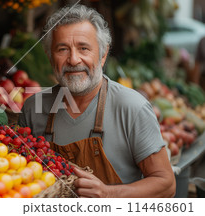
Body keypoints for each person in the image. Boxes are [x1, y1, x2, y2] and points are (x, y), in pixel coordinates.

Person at [18, 4, 175, 198]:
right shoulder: (33, 109)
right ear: (51, 58)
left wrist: (109, 194)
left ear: (102, 55)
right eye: (62, 49)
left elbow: (166, 184)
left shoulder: (132, 107)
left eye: (84, 48)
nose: (74, 59)